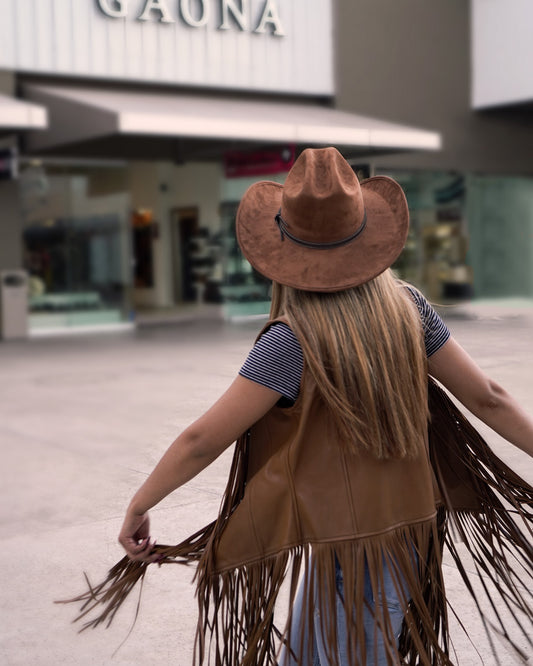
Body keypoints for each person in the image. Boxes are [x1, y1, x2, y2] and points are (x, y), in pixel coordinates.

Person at [110, 148, 533, 665]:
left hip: (345, 541)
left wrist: (140, 504)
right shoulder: (409, 310)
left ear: (283, 252)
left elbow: (202, 440)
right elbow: (489, 396)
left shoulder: (289, 342)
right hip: (404, 533)